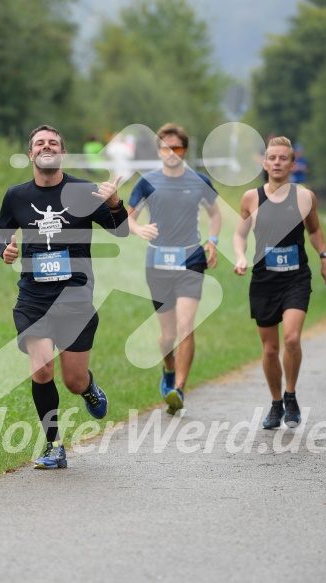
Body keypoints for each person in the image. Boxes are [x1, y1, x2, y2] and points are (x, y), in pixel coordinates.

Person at [0, 125, 128, 469]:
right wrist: (5, 250)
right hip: (33, 296)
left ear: (62, 153)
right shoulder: (17, 195)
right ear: (31, 154)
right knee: (41, 370)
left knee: (73, 380)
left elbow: (120, 229)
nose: (46, 146)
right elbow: (2, 234)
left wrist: (115, 204)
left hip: (75, 296)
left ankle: (88, 389)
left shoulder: (84, 191)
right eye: (40, 143)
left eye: (53, 142)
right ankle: (54, 445)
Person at [234, 136, 326, 430]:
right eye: (272, 157)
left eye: (283, 158)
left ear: (292, 164)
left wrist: (325, 256)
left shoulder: (305, 197)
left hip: (296, 277)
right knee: (269, 350)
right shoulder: (251, 198)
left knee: (291, 338)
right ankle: (276, 403)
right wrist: (240, 256)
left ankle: (291, 395)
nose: (277, 162)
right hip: (264, 280)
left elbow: (315, 231)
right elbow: (239, 234)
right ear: (264, 163)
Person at [127, 123, 221, 415]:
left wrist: (213, 241)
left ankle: (179, 388)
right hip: (157, 262)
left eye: (177, 148)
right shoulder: (147, 182)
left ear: (185, 151)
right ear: (158, 151)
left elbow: (215, 213)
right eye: (166, 148)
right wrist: (138, 229)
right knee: (167, 336)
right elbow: (128, 218)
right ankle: (169, 370)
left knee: (185, 326)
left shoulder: (199, 181)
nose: (171, 153)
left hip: (191, 258)